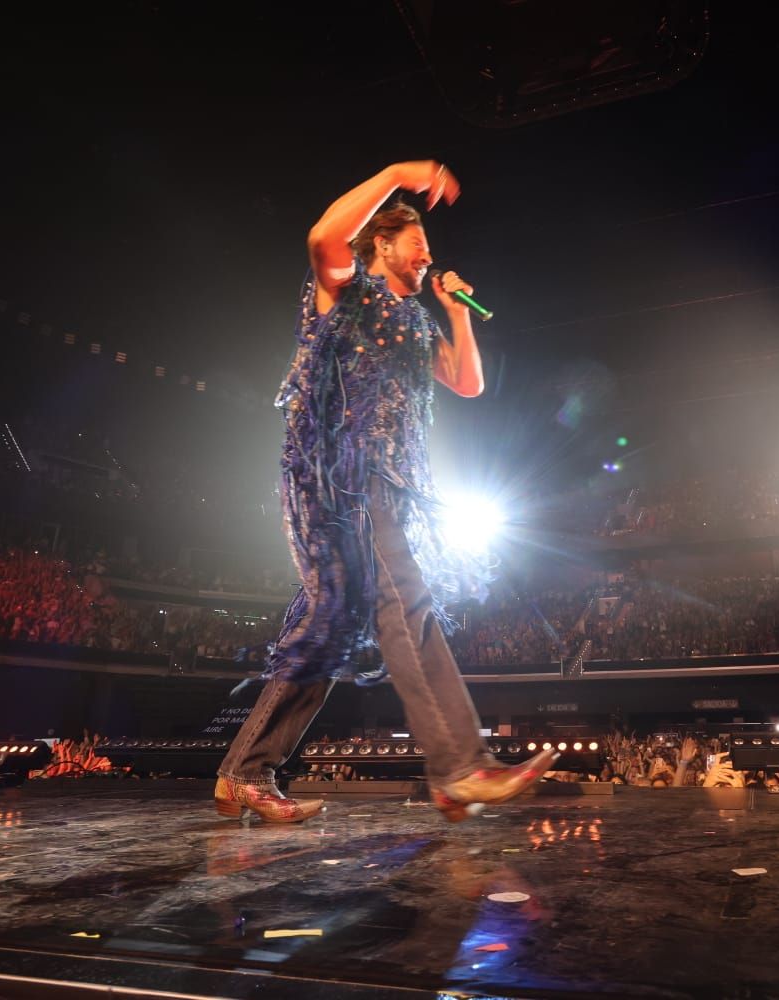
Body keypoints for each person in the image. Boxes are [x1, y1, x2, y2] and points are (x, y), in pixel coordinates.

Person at [214, 161, 558, 824]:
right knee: (407, 605)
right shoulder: (350, 294)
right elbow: (322, 238)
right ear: (381, 245)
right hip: (350, 478)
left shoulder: (417, 321)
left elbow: (468, 382)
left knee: (328, 629)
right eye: (416, 242)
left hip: (395, 484)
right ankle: (458, 768)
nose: (427, 255)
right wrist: (399, 173)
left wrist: (456, 313)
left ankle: (245, 772)